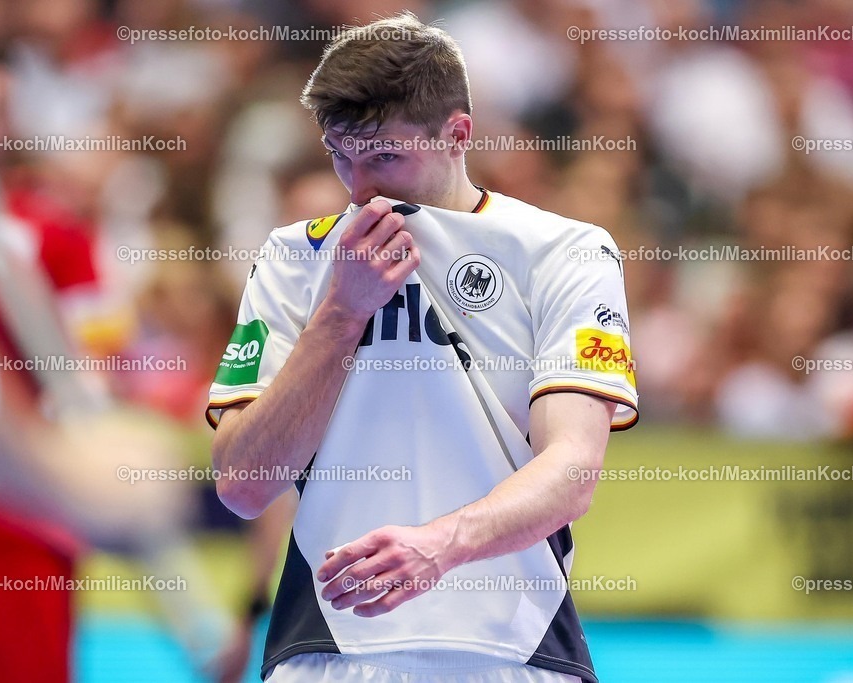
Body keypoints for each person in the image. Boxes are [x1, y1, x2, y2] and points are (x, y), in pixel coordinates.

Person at [208, 12, 638, 683]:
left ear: (457, 134)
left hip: (517, 648)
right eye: (341, 156)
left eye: (384, 157)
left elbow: (574, 469)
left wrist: (439, 545)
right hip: (329, 648)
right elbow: (243, 484)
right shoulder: (294, 257)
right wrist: (341, 313)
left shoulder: (567, 250)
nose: (359, 190)